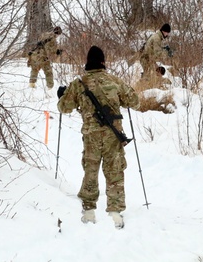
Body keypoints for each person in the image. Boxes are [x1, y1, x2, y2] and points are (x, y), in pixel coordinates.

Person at [57, 45, 140, 228]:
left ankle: (88, 210)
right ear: (103, 62)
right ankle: (115, 211)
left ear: (88, 62)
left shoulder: (79, 84)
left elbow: (64, 108)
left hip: (91, 135)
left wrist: (62, 95)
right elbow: (134, 101)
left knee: (91, 169)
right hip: (113, 135)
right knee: (115, 170)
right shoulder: (114, 81)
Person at [139, 23, 172, 88]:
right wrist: (166, 53)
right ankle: (142, 88)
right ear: (164, 31)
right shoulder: (157, 38)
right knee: (150, 76)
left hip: (149, 58)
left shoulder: (157, 36)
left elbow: (154, 51)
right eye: (167, 33)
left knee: (156, 72)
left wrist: (164, 49)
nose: (167, 35)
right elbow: (157, 53)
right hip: (145, 59)